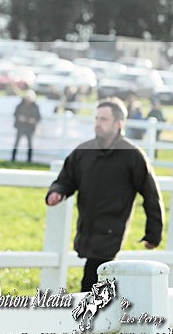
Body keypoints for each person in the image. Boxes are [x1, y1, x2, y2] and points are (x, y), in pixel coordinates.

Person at [45, 97, 164, 292]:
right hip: (86, 229)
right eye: (96, 118)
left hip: (111, 231)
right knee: (98, 285)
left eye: (104, 119)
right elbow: (66, 178)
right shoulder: (84, 151)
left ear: (119, 124)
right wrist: (57, 192)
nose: (97, 124)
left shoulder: (132, 155)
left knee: (91, 282)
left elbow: (151, 195)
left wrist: (153, 234)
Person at [11, 89, 41, 163]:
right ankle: (13, 158)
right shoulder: (20, 105)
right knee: (16, 143)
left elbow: (38, 117)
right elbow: (15, 114)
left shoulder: (35, 106)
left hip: (30, 128)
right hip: (21, 126)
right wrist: (19, 117)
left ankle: (29, 160)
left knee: (30, 144)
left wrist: (33, 120)